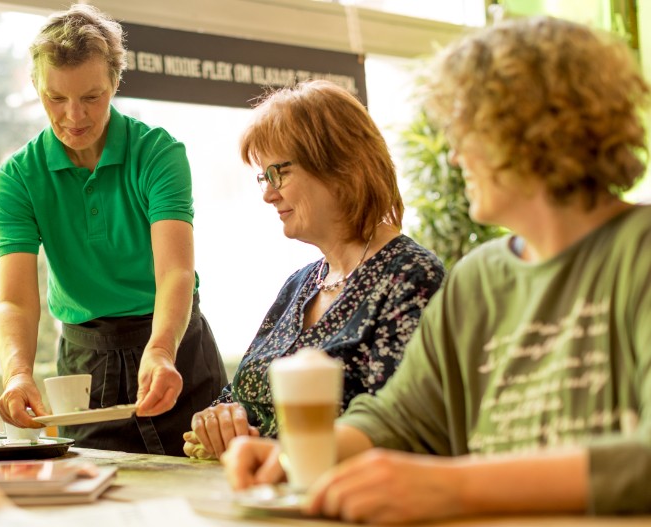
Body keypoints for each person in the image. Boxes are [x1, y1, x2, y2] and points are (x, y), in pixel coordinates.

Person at [222, 16, 651, 523]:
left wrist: (458, 488)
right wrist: (296, 456)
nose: (454, 154)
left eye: (470, 131)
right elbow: (400, 416)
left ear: (537, 129)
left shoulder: (637, 253)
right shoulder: (479, 279)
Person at [0, 4, 226, 456]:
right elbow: (15, 299)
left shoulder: (157, 154)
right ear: (37, 87)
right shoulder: (19, 177)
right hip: (87, 361)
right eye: (55, 99)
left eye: (92, 97)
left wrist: (160, 350)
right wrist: (17, 373)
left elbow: (175, 272)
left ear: (115, 83)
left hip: (175, 345)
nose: (74, 116)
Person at [183, 80, 445, 460]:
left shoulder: (411, 276)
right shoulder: (300, 284)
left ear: (339, 165)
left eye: (278, 173)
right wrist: (220, 419)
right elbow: (235, 398)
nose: (268, 194)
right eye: (264, 177)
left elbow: (400, 427)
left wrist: (265, 448)